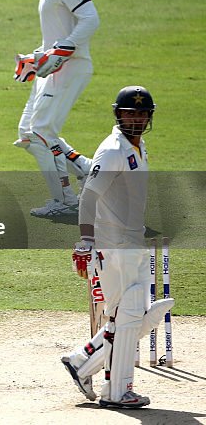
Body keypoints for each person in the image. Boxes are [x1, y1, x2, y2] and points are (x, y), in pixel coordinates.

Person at [61, 86, 173, 409]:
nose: (136, 119)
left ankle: (81, 362)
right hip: (112, 247)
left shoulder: (138, 147)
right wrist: (86, 240)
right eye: (129, 113)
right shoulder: (112, 150)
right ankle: (116, 392)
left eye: (141, 113)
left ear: (149, 117)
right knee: (128, 314)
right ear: (118, 115)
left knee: (129, 316)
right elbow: (89, 196)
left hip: (132, 243)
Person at [16, 0, 100, 217]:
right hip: (51, 68)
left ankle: (65, 200)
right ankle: (85, 168)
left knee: (40, 133)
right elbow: (55, 32)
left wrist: (64, 49)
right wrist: (36, 57)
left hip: (71, 67)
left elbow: (90, 19)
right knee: (28, 132)